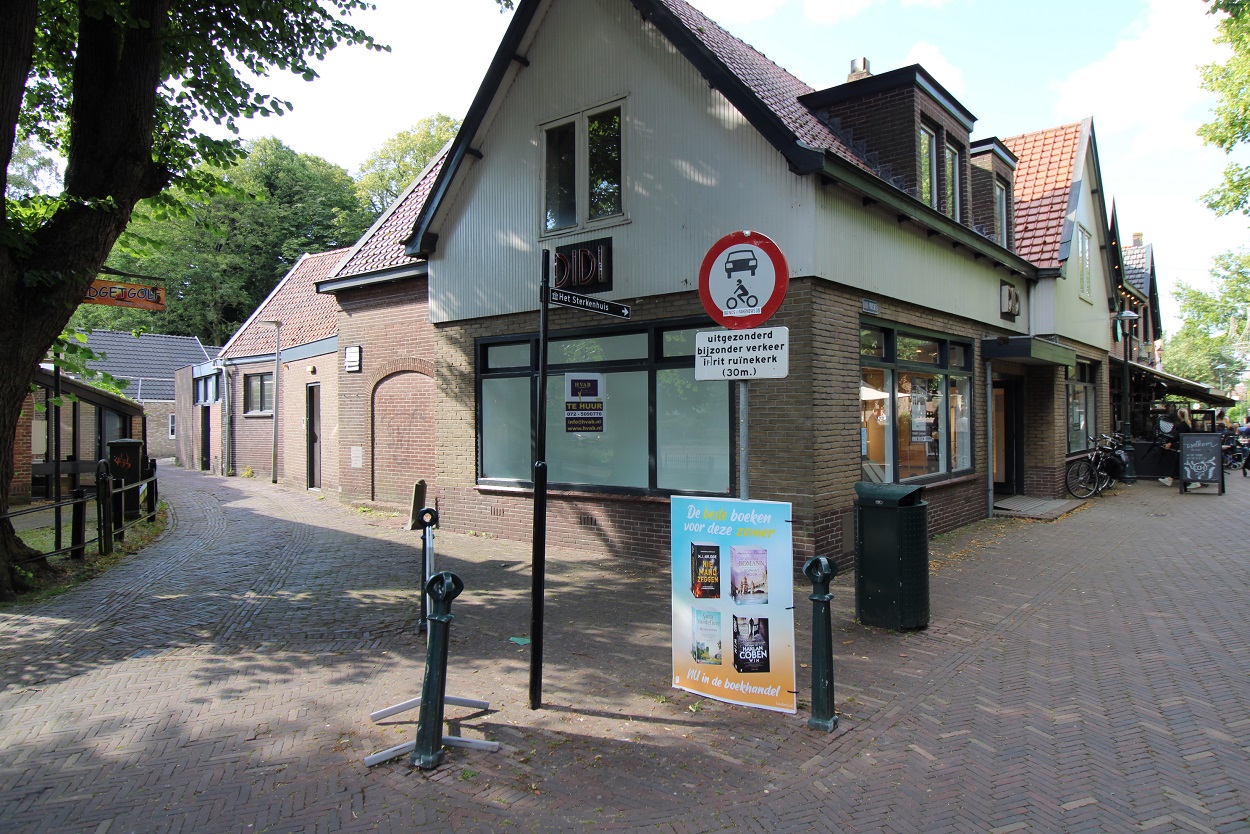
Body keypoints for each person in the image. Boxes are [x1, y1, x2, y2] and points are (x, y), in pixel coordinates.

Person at [1157, 407, 1202, 488]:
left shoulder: (1182, 425)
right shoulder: (1187, 424)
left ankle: (1194, 481)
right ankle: (1171, 479)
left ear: (1179, 415)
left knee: (1181, 463)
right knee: (1179, 463)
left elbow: (1178, 436)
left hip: (1184, 447)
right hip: (1187, 446)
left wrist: (1170, 443)